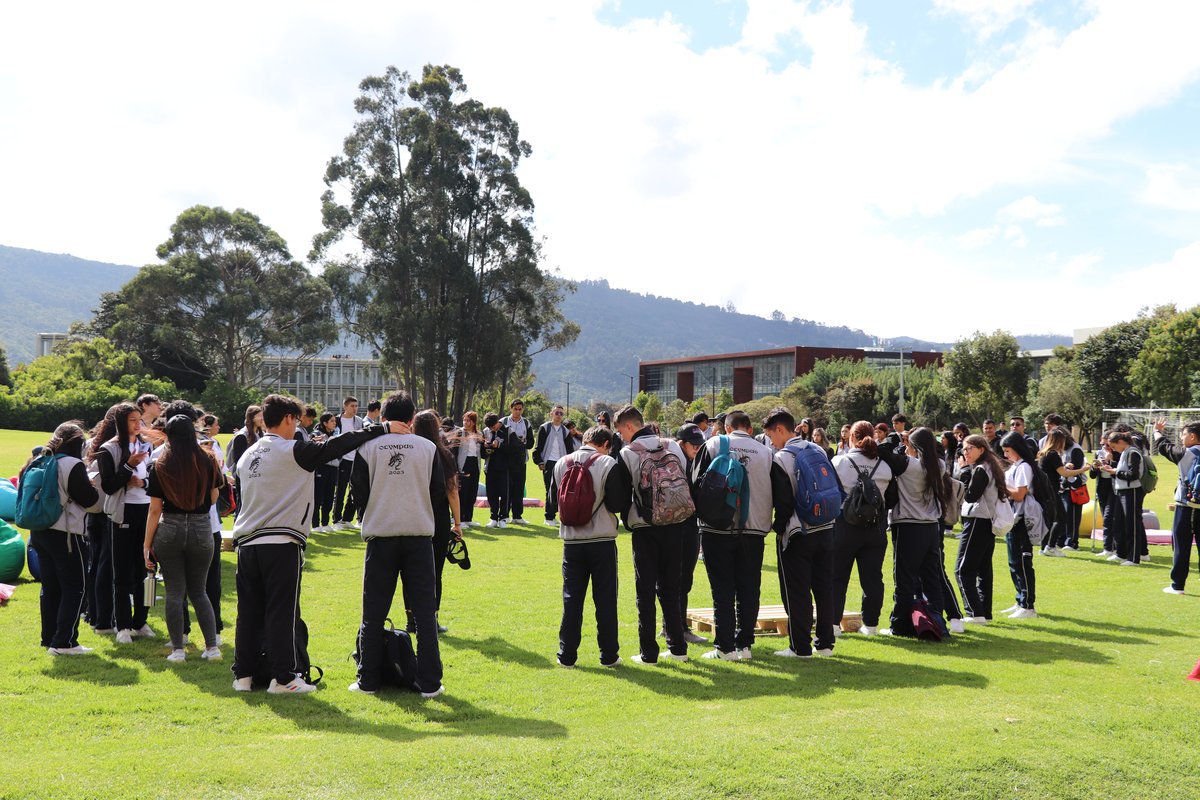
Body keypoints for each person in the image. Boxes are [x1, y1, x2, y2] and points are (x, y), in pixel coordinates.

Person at [231, 394, 399, 695]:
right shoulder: (292, 449)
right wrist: (380, 429)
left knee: (249, 611)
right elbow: (337, 446)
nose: (296, 426)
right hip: (280, 542)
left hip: (247, 543)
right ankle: (284, 679)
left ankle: (242, 676)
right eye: (295, 420)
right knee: (283, 612)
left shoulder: (248, 454)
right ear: (287, 419)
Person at [348, 391, 446, 698]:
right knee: (425, 613)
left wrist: (375, 510)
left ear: (382, 416)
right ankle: (430, 683)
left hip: (381, 535)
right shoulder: (428, 447)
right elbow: (438, 491)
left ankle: (368, 680)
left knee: (373, 612)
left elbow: (358, 492)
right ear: (412, 418)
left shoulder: (367, 446)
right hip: (418, 535)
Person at [695, 409, 791, 660]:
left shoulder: (714, 444)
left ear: (726, 428)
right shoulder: (767, 452)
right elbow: (781, 491)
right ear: (749, 429)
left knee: (722, 589)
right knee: (749, 588)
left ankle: (724, 647)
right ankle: (744, 645)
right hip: (755, 528)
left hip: (718, 527)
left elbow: (696, 484)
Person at [142, 415, 225, 662]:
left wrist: (147, 544)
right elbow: (213, 498)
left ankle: (178, 649)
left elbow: (155, 509)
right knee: (200, 592)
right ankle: (212, 648)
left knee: (175, 592)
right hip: (201, 528)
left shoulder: (161, 463)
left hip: (170, 527)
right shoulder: (208, 459)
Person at [614, 405, 691, 664]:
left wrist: (628, 519)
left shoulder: (627, 452)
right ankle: (678, 648)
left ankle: (649, 653)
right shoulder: (673, 445)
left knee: (645, 590)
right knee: (672, 587)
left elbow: (622, 496)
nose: (621, 437)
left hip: (645, 526)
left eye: (621, 432)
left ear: (628, 427)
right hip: (677, 523)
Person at [554, 426, 631, 668]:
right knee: (605, 600)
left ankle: (567, 655)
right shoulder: (607, 463)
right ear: (606, 443)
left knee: (572, 600)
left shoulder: (561, 463)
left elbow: (552, 500)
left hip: (572, 542)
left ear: (585, 440)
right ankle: (608, 655)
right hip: (602, 540)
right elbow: (617, 503)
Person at [764, 408, 836, 656]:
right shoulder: (817, 449)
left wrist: (778, 527)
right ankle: (826, 644)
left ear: (780, 430)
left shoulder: (782, 458)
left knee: (797, 591)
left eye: (771, 436)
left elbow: (783, 503)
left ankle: (800, 646)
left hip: (798, 532)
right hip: (826, 527)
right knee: (824, 587)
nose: (771, 442)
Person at [23, 422, 100, 654]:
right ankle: (64, 642)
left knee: (50, 586)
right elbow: (91, 503)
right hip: (66, 533)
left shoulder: (41, 459)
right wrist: (93, 486)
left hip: (39, 531)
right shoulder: (73, 464)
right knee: (75, 586)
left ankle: (49, 638)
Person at [876, 426, 955, 636]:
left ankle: (899, 625)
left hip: (908, 526)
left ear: (913, 445)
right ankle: (936, 620)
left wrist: (895, 437)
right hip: (931, 526)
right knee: (931, 578)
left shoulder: (908, 465)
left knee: (905, 579)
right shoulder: (939, 464)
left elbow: (881, 450)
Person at [91, 402, 156, 644]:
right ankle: (123, 625)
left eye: (139, 419)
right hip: (122, 512)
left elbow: (154, 479)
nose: (138, 424)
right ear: (120, 423)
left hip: (147, 510)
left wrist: (144, 484)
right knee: (121, 570)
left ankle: (140, 621)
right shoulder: (109, 449)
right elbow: (108, 486)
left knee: (145, 567)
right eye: (132, 420)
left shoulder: (146, 445)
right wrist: (129, 467)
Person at [831, 421, 894, 636]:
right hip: (875, 527)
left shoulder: (840, 461)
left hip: (844, 524)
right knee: (873, 578)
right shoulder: (885, 467)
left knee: (837, 576)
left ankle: (832, 624)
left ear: (853, 438)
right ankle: (871, 625)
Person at [402, 410, 462, 633]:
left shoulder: (408, 452)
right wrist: (458, 523)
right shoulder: (443, 454)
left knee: (408, 571)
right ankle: (431, 619)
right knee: (435, 571)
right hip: (436, 519)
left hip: (411, 516)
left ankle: (411, 619)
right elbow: (452, 491)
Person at [955, 434, 1009, 624]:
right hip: (986, 522)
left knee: (962, 570)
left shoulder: (981, 469)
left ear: (981, 449)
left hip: (978, 521)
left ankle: (975, 613)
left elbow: (969, 496)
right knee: (983, 570)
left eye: (969, 448)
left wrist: (963, 470)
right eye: (963, 448)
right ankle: (984, 612)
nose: (965, 452)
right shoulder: (991, 466)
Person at [1153, 418, 1200, 593]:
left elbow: (1164, 446)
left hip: (1186, 506)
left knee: (1181, 545)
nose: (1181, 438)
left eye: (1184, 434)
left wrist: (1157, 431)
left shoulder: (1186, 454)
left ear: (1193, 437)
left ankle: (1177, 585)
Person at [672, 423, 708, 644]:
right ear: (681, 443)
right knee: (678, 580)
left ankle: (673, 625)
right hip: (680, 528)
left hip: (688, 526)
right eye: (692, 444)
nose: (696, 448)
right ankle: (678, 627)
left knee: (682, 581)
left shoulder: (694, 462)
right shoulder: (676, 463)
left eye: (699, 444)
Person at [1001, 432, 1043, 619]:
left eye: (1008, 451)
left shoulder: (1024, 467)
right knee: (1014, 561)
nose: (1005, 455)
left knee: (1023, 562)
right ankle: (1020, 600)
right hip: (1013, 516)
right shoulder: (1016, 466)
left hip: (1022, 517)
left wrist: (1000, 488)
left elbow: (1019, 494)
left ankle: (1028, 605)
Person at [1037, 428, 1089, 557]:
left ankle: (1044, 547)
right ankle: (1051, 546)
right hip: (1052, 490)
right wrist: (1083, 469)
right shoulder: (1053, 454)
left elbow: (1056, 469)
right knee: (1061, 519)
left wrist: (1065, 466)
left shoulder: (1044, 453)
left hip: (1045, 490)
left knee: (1049, 520)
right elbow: (1064, 473)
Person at [1100, 431, 1145, 567]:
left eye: (1113, 446)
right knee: (1119, 523)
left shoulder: (1133, 452)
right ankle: (1122, 553)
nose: (1113, 450)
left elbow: (1133, 474)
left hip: (1132, 492)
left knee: (1132, 525)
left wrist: (1115, 472)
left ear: (1120, 442)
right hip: (1122, 491)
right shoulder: (1125, 452)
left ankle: (1133, 558)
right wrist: (1113, 471)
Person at [534, 405, 577, 527]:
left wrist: (571, 465)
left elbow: (570, 451)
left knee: (561, 489)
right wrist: (540, 462)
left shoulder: (565, 431)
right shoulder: (544, 428)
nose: (558, 415)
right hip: (549, 463)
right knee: (550, 489)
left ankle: (556, 515)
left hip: (562, 463)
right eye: (556, 413)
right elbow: (538, 448)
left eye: (561, 414)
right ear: (551, 413)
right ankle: (548, 517)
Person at [332, 396, 363, 530]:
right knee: (340, 490)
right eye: (352, 406)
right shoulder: (337, 420)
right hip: (342, 460)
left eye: (356, 406)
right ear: (345, 407)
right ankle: (336, 519)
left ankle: (347, 518)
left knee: (354, 490)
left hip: (355, 459)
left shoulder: (359, 421)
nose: (355, 408)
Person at [501, 399, 535, 523]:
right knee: (506, 488)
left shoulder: (526, 422)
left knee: (519, 488)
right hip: (506, 460)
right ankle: (504, 515)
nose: (517, 411)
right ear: (511, 409)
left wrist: (522, 442)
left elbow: (531, 442)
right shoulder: (503, 421)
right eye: (515, 409)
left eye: (520, 409)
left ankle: (517, 516)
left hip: (521, 460)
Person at [226, 404, 263, 517]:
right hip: (245, 478)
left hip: (256, 477)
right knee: (243, 507)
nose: (262, 418)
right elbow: (240, 462)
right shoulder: (242, 436)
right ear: (252, 418)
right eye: (259, 416)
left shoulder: (258, 435)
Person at [1090, 432, 1117, 558]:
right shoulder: (1098, 453)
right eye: (1103, 444)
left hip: (1114, 487)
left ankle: (1111, 547)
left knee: (1109, 517)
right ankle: (1109, 547)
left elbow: (1119, 470)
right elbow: (1092, 475)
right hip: (1102, 487)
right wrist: (1095, 467)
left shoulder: (1118, 453)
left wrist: (1110, 460)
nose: (1106, 447)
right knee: (1106, 517)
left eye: (1108, 445)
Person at [310, 413, 339, 532]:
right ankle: (316, 525)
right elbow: (310, 445)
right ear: (325, 423)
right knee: (318, 496)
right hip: (321, 468)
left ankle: (326, 523)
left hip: (333, 469)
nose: (334, 423)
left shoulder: (335, 435)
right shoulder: (317, 434)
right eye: (332, 421)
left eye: (334, 421)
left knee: (329, 496)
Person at [455, 411, 483, 528]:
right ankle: (459, 519)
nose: (466, 423)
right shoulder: (460, 433)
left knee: (472, 491)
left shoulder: (478, 434)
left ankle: (469, 518)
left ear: (474, 422)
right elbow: (455, 451)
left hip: (474, 464)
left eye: (468, 420)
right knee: (463, 492)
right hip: (463, 464)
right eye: (464, 420)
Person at [482, 413, 509, 527]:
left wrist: (499, 446)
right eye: (490, 428)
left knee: (504, 493)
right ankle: (493, 517)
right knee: (491, 493)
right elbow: (482, 453)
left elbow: (513, 449)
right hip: (490, 467)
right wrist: (486, 447)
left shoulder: (508, 431)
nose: (492, 429)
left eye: (493, 427)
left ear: (498, 422)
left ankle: (503, 518)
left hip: (504, 467)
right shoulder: (485, 432)